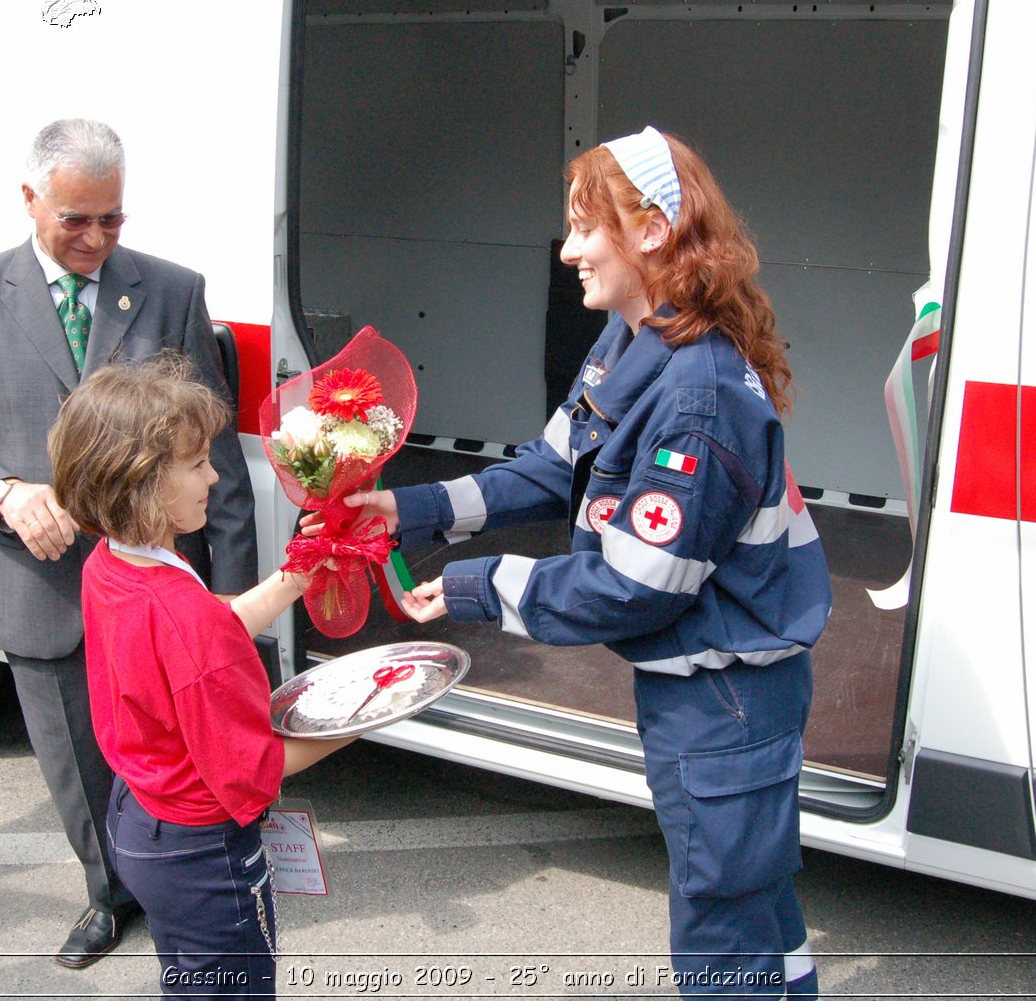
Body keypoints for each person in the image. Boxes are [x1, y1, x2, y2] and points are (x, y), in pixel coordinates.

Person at [335, 128, 831, 997]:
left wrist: (473, 587)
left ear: (649, 232)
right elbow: (551, 465)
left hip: (726, 699)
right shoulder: (634, 341)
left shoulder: (697, 396)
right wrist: (412, 510)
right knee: (750, 908)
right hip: (710, 692)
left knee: (723, 927)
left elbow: (633, 586)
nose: (566, 253)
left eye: (582, 229)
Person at [0, 119, 257, 968]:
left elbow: (214, 456)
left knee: (180, 763)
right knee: (77, 764)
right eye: (76, 220)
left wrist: (232, 601)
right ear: (29, 198)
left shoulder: (172, 289)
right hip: (41, 587)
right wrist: (5, 490)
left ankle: (185, 888)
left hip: (160, 592)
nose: (96, 239)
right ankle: (108, 896)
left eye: (112, 219)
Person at [48, 356, 353, 998]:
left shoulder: (117, 563)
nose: (215, 476)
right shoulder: (183, 615)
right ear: (139, 482)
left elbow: (210, 629)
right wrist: (364, 718)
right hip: (199, 850)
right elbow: (254, 766)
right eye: (196, 465)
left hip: (140, 819)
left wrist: (294, 577)